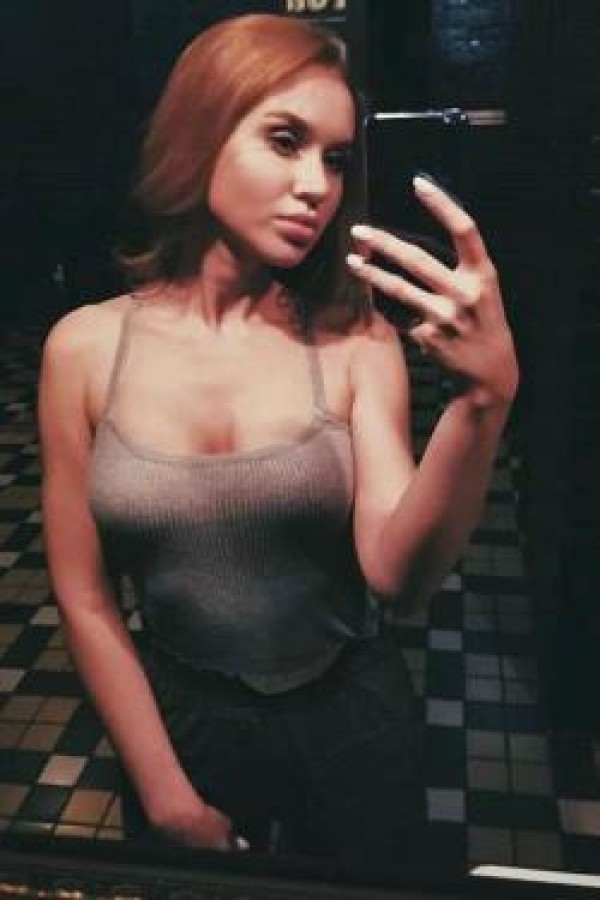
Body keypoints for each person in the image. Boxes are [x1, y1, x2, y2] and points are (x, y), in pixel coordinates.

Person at [38, 13, 518, 864]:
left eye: (336, 159)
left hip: (350, 717)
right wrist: (165, 793)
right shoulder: (84, 349)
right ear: (200, 131)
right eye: (286, 140)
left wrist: (482, 403)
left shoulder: (354, 339)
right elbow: (85, 597)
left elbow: (398, 578)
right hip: (179, 718)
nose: (317, 186)